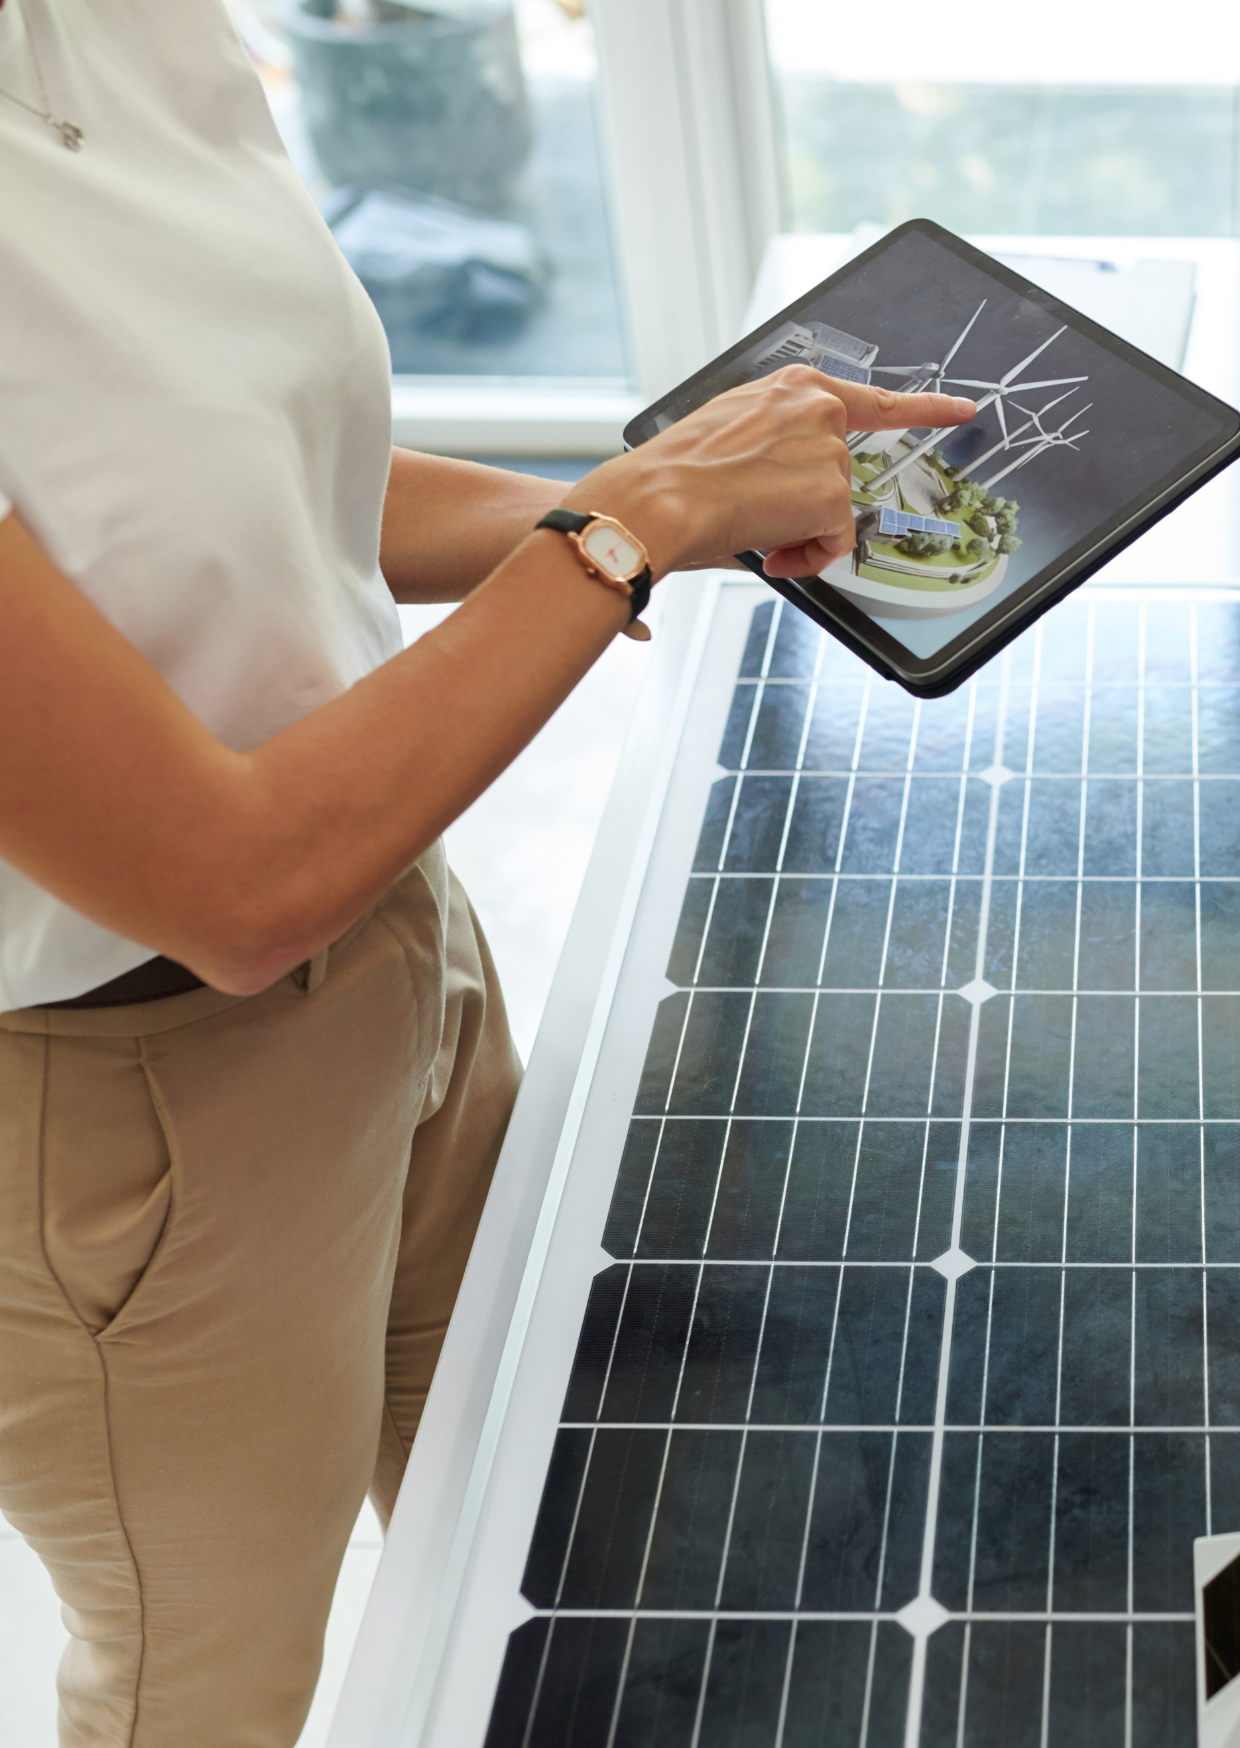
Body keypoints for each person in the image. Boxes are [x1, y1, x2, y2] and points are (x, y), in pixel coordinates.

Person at [0, 1, 975, 1742]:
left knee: (536, 1496)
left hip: (395, 931)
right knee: (204, 1689)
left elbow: (250, 472)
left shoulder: (126, 28)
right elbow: (231, 888)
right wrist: (634, 529)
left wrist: (651, 498)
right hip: (118, 1115)